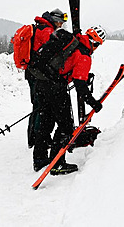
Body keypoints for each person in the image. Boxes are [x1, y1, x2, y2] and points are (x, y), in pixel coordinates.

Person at [30, 24, 105, 175]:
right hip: (55, 88)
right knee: (65, 126)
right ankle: (57, 164)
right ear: (95, 43)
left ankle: (39, 159)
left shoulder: (73, 41)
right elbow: (80, 86)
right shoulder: (84, 55)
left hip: (41, 81)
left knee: (46, 121)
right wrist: (94, 103)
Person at [24, 8, 67, 147]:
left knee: (37, 106)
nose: (61, 25)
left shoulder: (40, 27)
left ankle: (33, 138)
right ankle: (37, 139)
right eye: (60, 22)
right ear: (55, 20)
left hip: (33, 72)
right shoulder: (47, 31)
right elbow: (51, 52)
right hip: (38, 74)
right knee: (40, 107)